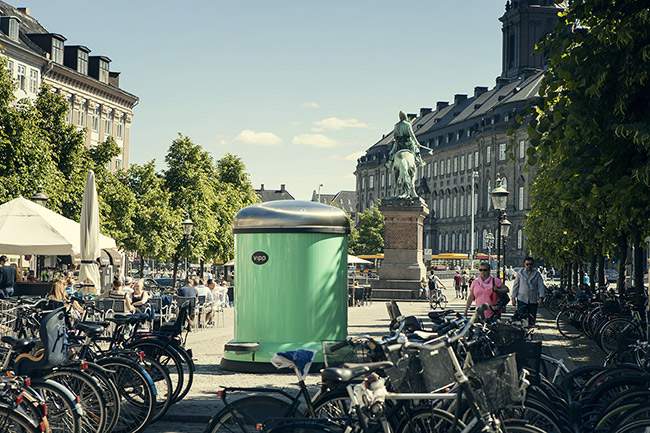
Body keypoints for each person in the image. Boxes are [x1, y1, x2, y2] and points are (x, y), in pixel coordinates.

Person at [511, 256, 546, 327]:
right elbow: (515, 286)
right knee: (521, 318)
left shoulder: (537, 274)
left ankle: (530, 332)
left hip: (533, 299)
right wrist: (513, 298)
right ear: (524, 264)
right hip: (522, 299)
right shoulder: (520, 273)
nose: (529, 266)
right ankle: (521, 333)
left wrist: (541, 297)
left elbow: (541, 286)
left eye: (531, 264)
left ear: (533, 265)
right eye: (527, 264)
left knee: (532, 318)